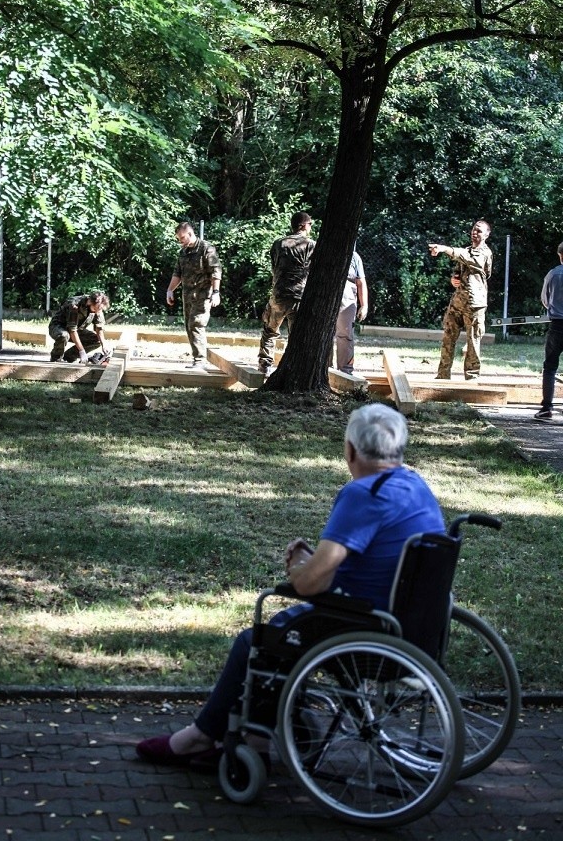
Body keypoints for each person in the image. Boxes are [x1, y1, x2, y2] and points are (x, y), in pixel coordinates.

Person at [135, 403, 445, 768]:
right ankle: (257, 735)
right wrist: (315, 560)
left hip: (363, 627)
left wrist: (300, 566)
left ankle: (205, 738)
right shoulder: (415, 485)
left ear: (349, 450)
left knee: (259, 642)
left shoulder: (364, 494)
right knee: (287, 634)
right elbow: (364, 557)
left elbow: (312, 584)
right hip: (414, 625)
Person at [429, 220, 493, 380]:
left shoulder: (485, 253)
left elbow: (470, 259)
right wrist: (454, 279)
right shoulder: (466, 250)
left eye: (479, 231)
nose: (475, 232)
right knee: (448, 338)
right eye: (473, 229)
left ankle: (472, 377)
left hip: (475, 304)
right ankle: (442, 375)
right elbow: (458, 270)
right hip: (457, 302)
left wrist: (444, 249)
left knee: (473, 342)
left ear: (486, 235)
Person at [258, 211, 315, 375]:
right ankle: (292, 368)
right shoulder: (310, 245)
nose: (310, 227)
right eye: (310, 224)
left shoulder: (278, 243)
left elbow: (274, 267)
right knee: (296, 335)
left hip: (279, 295)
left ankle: (264, 365)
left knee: (270, 331)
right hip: (299, 296)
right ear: (304, 225)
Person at [166, 222, 222, 369]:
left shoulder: (206, 248)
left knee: (196, 324)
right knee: (189, 326)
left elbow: (216, 271)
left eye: (182, 237)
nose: (180, 241)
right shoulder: (183, 252)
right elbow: (177, 273)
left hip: (203, 294)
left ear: (190, 234)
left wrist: (216, 292)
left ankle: (200, 360)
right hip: (188, 295)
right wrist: (170, 290)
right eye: (179, 238)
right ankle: (197, 357)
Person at [534, 241, 563, 420]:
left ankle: (547, 408)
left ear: (560, 255)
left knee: (550, 367)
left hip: (558, 325)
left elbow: (545, 299)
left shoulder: (553, 274)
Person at [49, 291, 110, 363]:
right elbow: (72, 330)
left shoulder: (97, 308)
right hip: (58, 326)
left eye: (100, 309)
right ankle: (56, 358)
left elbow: (99, 328)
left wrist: (104, 345)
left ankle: (68, 357)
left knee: (96, 340)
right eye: (96, 309)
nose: (98, 311)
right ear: (90, 302)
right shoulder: (74, 305)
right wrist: (82, 351)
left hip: (76, 329)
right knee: (64, 335)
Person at [335, 248, 368, 375]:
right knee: (324, 332)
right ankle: (325, 369)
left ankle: (345, 371)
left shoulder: (354, 256)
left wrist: (364, 305)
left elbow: (361, 282)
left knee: (346, 333)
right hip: (325, 294)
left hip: (347, 296)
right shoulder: (323, 250)